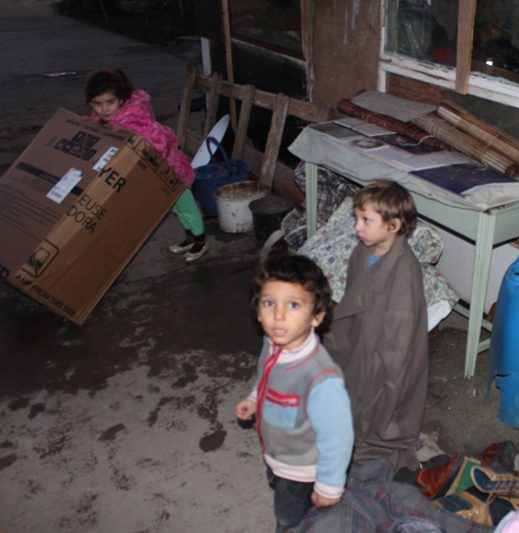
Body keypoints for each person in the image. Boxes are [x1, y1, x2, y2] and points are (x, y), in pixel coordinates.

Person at [235, 254, 354, 530]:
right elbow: (267, 376)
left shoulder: (321, 379)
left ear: (316, 317)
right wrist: (255, 398)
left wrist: (329, 485)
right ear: (257, 310)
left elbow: (338, 436)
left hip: (302, 472)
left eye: (293, 305)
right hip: (278, 456)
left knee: (291, 520)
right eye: (269, 303)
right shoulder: (273, 343)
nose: (278, 315)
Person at [324, 179, 428, 473]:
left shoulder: (404, 269)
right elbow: (352, 297)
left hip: (386, 349)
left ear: (393, 226)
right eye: (357, 218)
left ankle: (375, 441)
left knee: (378, 400)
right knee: (349, 385)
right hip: (361, 337)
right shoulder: (362, 252)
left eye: (366, 220)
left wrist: (390, 368)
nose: (357, 227)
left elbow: (402, 327)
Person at [84, 68, 208, 262]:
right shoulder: (105, 120)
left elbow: (159, 142)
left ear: (122, 100)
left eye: (110, 102)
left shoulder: (135, 119)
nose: (104, 109)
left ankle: (200, 241)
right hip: (154, 175)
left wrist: (126, 134)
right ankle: (189, 238)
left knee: (186, 207)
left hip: (171, 171)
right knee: (175, 208)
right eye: (97, 104)